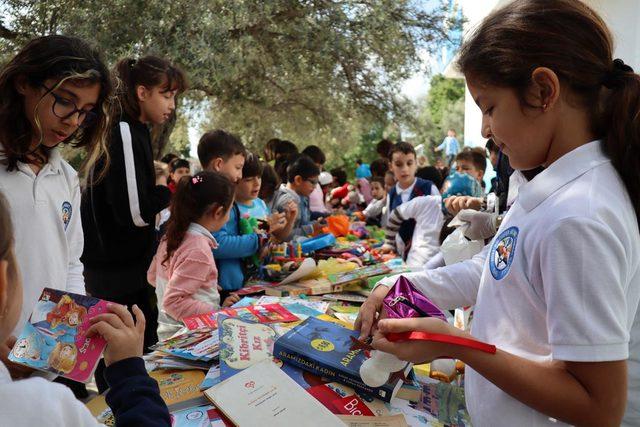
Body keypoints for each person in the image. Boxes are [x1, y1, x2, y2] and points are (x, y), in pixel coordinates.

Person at [358, 1, 640, 425]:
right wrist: (401, 284)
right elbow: (494, 270)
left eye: (489, 108)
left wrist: (456, 344)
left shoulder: (578, 216)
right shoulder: (548, 190)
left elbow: (598, 407)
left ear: (543, 91)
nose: (486, 130)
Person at [0, 191, 171, 426]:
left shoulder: (67, 177)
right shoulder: (43, 407)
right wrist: (129, 370)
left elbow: (72, 261)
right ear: (3, 283)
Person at [0, 36, 113, 383]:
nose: (72, 121)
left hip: (38, 365)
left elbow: (70, 262)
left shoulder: (64, 176)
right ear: (24, 83)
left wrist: (53, 348)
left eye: (85, 112)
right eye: (65, 102)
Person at [81, 55, 186, 354]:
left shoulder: (133, 130)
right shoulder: (125, 131)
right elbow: (135, 214)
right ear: (142, 92)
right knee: (126, 358)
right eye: (166, 95)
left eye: (174, 96)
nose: (171, 105)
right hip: (118, 272)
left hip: (121, 269)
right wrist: (164, 190)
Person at [148, 172, 238, 341]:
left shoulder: (171, 236)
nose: (228, 218)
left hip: (168, 335)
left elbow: (154, 277)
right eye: (230, 209)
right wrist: (216, 311)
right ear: (218, 211)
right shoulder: (198, 248)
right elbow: (173, 302)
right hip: (190, 338)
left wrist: (201, 287)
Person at [270, 154, 321, 239]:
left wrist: (315, 224)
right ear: (298, 180)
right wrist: (311, 228)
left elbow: (300, 225)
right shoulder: (288, 201)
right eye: (313, 182)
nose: (315, 186)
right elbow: (284, 235)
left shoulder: (301, 197)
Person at [302, 145, 330, 218]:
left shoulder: (317, 184)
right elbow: (305, 214)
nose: (319, 171)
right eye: (317, 167)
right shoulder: (303, 185)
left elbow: (321, 207)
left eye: (321, 167)